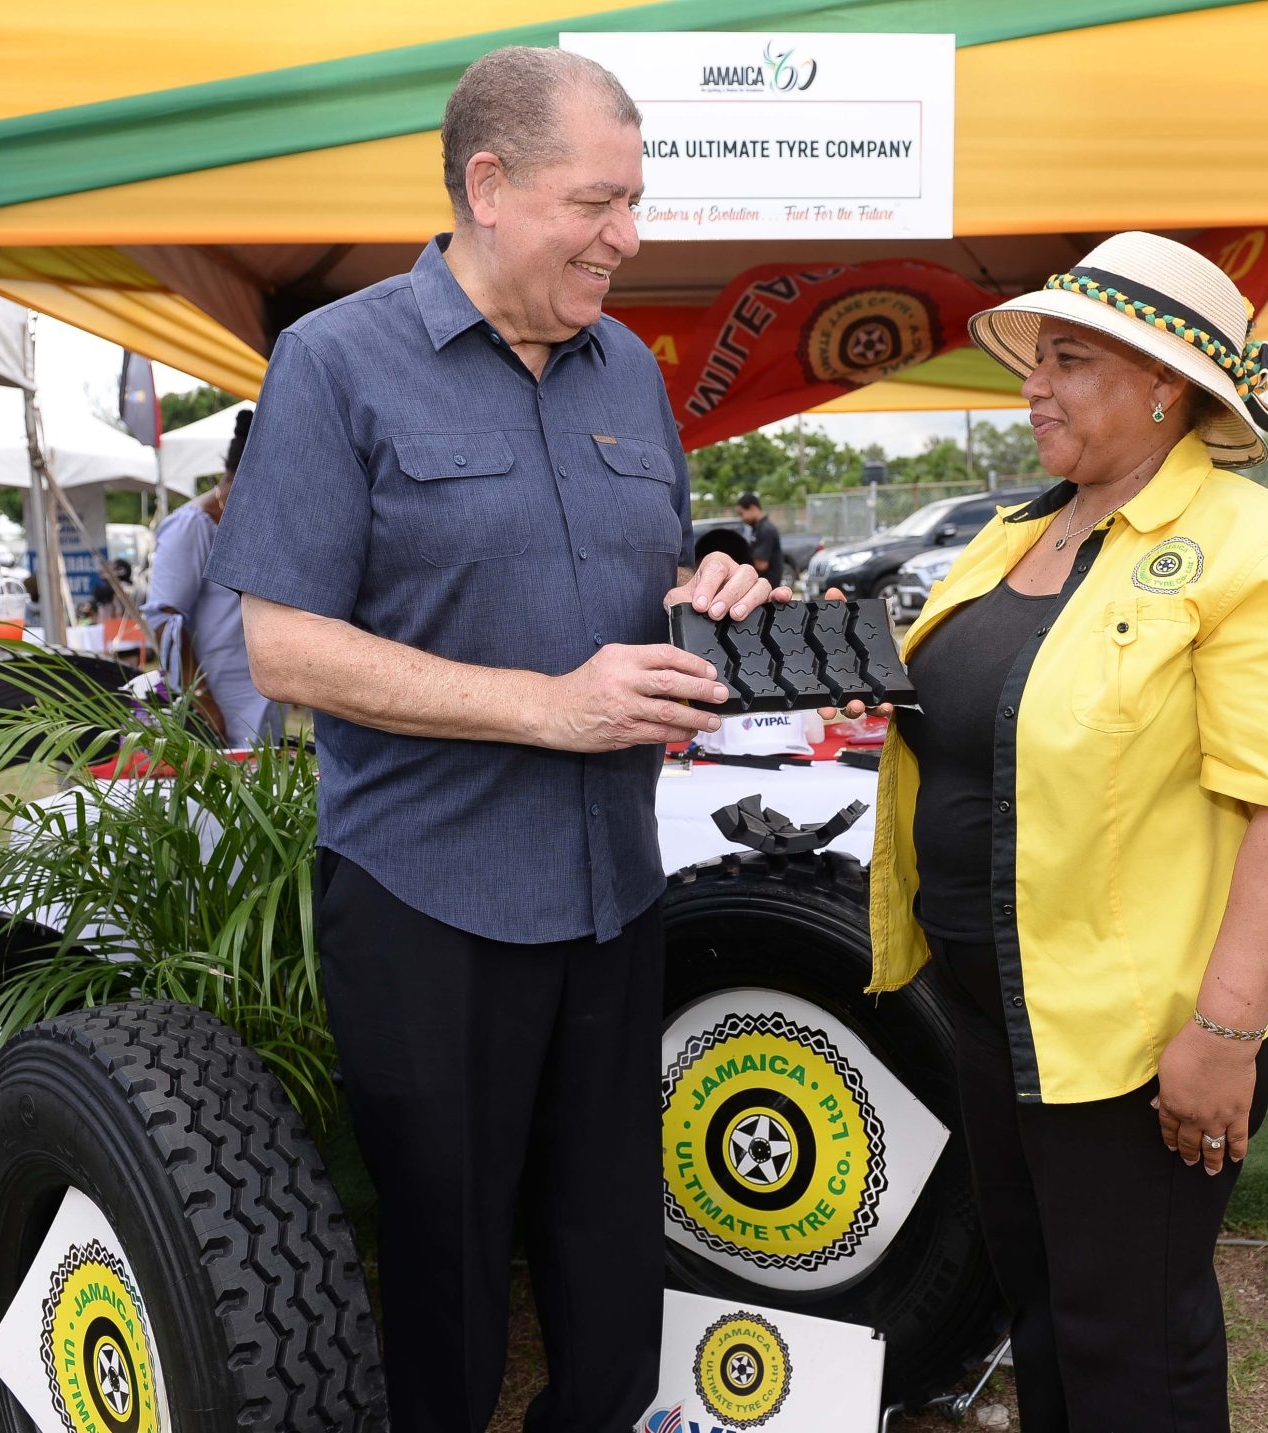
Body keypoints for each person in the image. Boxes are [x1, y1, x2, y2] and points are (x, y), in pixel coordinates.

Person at [204, 47, 781, 1433]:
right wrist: (551, 707)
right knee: (451, 1270)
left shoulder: (631, 372)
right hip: (429, 900)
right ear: (490, 185)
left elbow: (611, 583)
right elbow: (282, 648)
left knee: (607, 1252)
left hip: (611, 892)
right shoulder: (335, 363)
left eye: (635, 203)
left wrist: (707, 592)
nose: (627, 240)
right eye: (599, 202)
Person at [839, 232, 1268, 1431]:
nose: (1031, 385)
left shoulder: (1257, 552)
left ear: (1163, 383)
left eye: (1066, 359)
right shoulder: (1021, 529)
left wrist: (1223, 1036)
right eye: (1036, 359)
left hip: (1143, 1035)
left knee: (1131, 1333)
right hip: (998, 1008)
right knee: (1043, 1305)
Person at [143, 410, 279, 745]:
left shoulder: (258, 523)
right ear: (242, 477)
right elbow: (164, 619)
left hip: (260, 697)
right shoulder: (192, 526)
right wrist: (201, 698)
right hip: (216, 699)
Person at [736, 490, 784, 585]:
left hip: (768, 585)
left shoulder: (765, 529)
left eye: (742, 514)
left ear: (753, 508)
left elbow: (761, 564)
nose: (741, 519)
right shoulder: (757, 528)